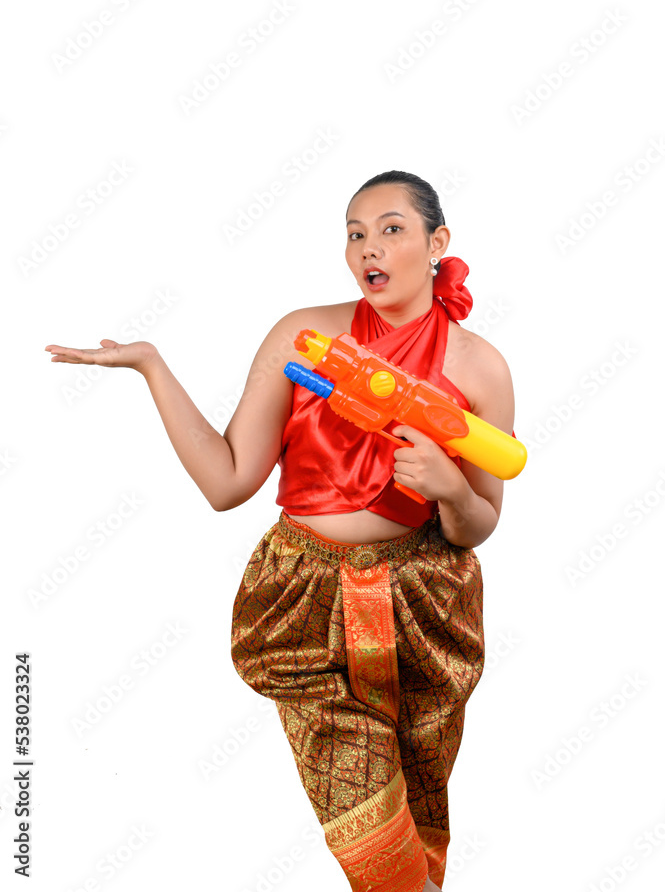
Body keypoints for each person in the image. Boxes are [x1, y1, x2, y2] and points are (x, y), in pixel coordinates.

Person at [45, 169, 516, 891]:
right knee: (378, 855)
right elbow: (227, 481)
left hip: (425, 607)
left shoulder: (479, 366)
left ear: (436, 242)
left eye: (391, 229)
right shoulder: (303, 338)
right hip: (303, 606)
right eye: (355, 234)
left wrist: (451, 489)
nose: (370, 248)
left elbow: (477, 524)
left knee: (418, 826)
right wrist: (150, 366)